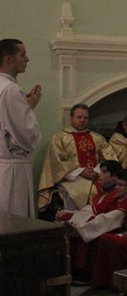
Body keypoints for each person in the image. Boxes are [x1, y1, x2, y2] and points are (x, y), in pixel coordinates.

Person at [38, 103, 118, 212]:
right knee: (93, 191)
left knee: (115, 188)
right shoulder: (60, 138)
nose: (82, 120)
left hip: (97, 174)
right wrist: (80, 172)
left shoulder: (97, 137)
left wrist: (98, 170)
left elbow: (109, 158)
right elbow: (57, 164)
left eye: (85, 118)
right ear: (71, 118)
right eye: (79, 117)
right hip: (72, 177)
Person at [0, 38, 42, 217]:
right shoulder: (11, 90)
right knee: (14, 225)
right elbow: (27, 135)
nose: (27, 59)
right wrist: (29, 107)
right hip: (12, 170)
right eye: (22, 54)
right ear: (8, 59)